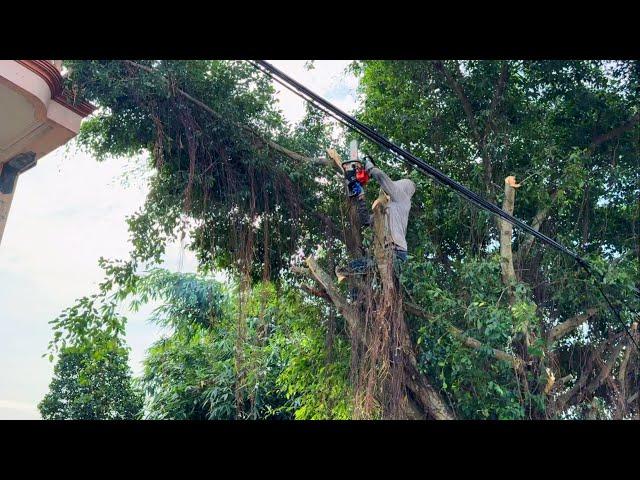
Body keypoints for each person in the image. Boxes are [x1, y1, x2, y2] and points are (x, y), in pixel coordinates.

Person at [336, 156, 416, 282]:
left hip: (396, 252)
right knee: (352, 268)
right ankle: (354, 295)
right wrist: (361, 197)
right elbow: (367, 221)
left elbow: (382, 177)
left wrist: (369, 166)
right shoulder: (387, 209)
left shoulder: (403, 199)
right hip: (385, 253)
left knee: (360, 268)